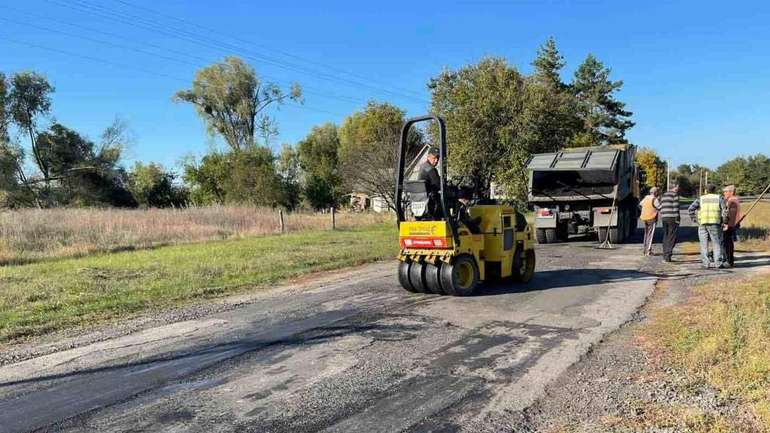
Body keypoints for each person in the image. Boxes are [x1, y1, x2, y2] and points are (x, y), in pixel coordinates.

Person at [688, 184, 728, 269]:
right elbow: (725, 211)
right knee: (716, 244)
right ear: (715, 190)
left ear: (706, 190)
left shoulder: (701, 198)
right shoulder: (719, 198)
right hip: (715, 224)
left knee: (703, 244)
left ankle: (706, 264)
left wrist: (695, 220)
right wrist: (724, 221)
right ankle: (718, 263)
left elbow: (690, 209)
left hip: (702, 224)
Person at [659, 183, 681, 262]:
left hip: (664, 217)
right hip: (672, 218)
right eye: (678, 186)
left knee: (666, 236)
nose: (679, 188)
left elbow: (660, 206)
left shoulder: (664, 195)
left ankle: (665, 255)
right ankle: (668, 255)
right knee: (672, 237)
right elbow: (675, 208)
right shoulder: (675, 195)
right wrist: (677, 219)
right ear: (675, 187)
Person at [722, 185, 741, 267]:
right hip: (730, 224)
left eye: (726, 192)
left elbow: (731, 215)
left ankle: (729, 261)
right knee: (727, 242)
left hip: (730, 225)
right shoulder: (730, 200)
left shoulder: (732, 201)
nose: (724, 193)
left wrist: (726, 224)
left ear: (731, 192)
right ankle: (728, 260)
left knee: (728, 243)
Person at [639, 187, 661, 256]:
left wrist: (644, 211)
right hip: (652, 218)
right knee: (650, 235)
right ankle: (648, 251)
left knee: (646, 234)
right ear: (655, 192)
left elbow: (640, 205)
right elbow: (660, 207)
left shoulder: (646, 198)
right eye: (657, 192)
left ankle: (645, 249)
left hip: (645, 217)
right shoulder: (654, 199)